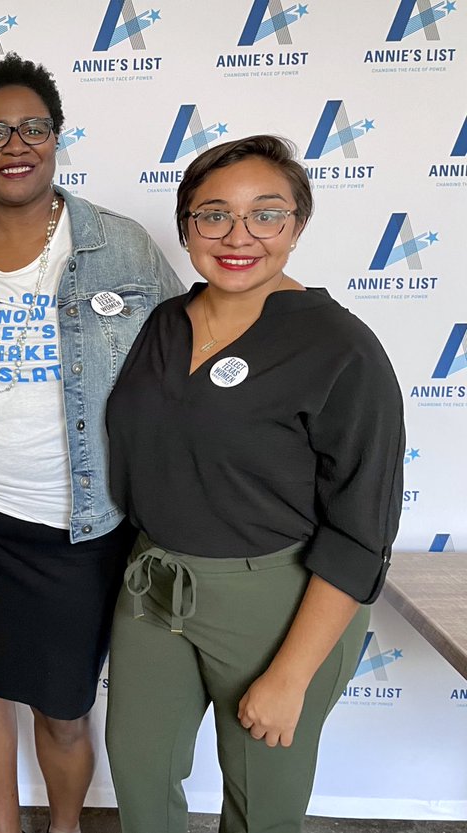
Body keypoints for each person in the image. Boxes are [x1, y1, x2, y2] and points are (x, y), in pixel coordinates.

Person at [0, 54, 183, 833]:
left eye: (32, 126)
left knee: (65, 707)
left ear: (57, 139)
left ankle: (62, 826)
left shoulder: (124, 249)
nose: (14, 143)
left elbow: (188, 348)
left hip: (78, 526)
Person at [104, 134, 404, 833]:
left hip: (278, 600)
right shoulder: (163, 323)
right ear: (186, 228)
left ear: (297, 224)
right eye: (214, 215)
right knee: (139, 774)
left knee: (261, 805)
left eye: (266, 214)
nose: (239, 236)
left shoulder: (342, 348)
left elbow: (361, 531)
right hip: (154, 583)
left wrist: (292, 673)